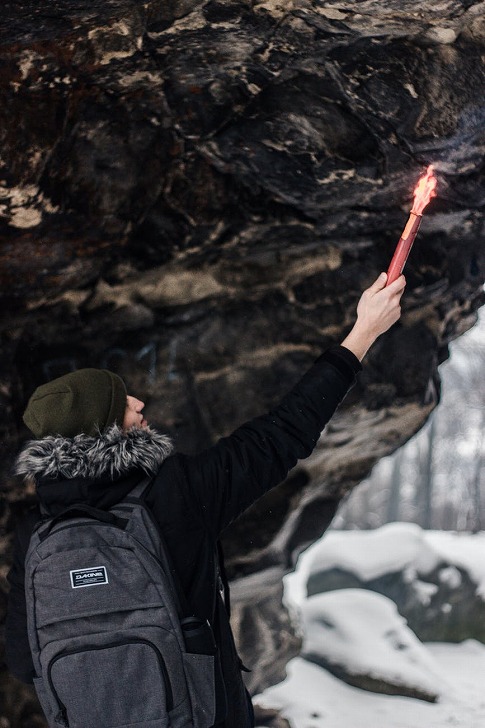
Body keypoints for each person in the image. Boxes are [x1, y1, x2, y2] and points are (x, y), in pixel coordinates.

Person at [5, 271, 405, 728]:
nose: (138, 402)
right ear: (104, 426)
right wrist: (363, 332)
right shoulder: (176, 494)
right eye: (121, 400)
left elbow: (24, 660)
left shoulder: (34, 535)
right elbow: (283, 433)